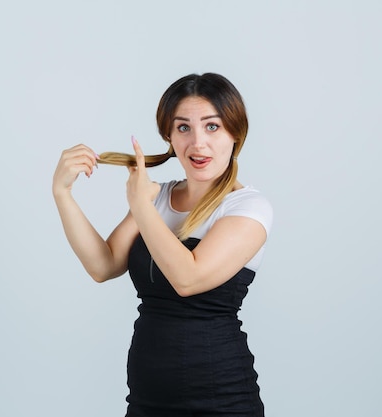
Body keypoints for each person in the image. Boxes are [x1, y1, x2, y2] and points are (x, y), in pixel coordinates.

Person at [52, 73, 273, 417]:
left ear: (235, 133)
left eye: (212, 127)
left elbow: (188, 279)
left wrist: (141, 205)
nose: (198, 143)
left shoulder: (247, 207)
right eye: (183, 128)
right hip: (147, 400)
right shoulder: (158, 197)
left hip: (222, 400)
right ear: (169, 136)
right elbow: (103, 265)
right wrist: (62, 193)